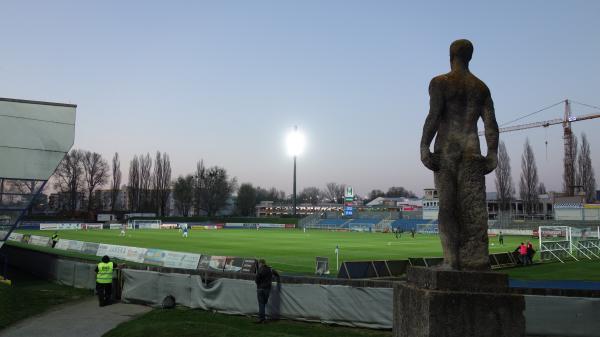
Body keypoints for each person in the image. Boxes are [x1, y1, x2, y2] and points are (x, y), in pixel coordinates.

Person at [420, 39, 499, 270]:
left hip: (447, 151)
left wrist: (424, 146)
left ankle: (452, 261)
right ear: (470, 57)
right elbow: (491, 125)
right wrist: (492, 153)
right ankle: (476, 260)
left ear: (450, 56)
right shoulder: (481, 88)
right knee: (472, 208)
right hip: (472, 151)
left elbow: (434, 116)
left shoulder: (440, 83)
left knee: (447, 207)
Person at [254, 259, 280, 323]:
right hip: (267, 289)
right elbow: (277, 274)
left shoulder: (259, 270)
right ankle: (262, 318)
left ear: (260, 263)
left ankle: (261, 319)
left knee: (261, 304)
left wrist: (259, 284)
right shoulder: (270, 269)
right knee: (264, 303)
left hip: (260, 289)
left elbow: (256, 280)